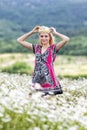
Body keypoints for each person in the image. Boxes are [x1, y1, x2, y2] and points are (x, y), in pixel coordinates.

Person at [17, 26, 70, 96]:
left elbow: (66, 39)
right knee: (36, 101)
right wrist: (32, 32)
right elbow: (19, 40)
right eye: (41, 36)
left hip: (49, 80)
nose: (44, 38)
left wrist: (55, 33)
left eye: (46, 36)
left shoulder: (53, 48)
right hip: (37, 79)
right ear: (39, 37)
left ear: (49, 37)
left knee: (49, 103)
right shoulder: (36, 48)